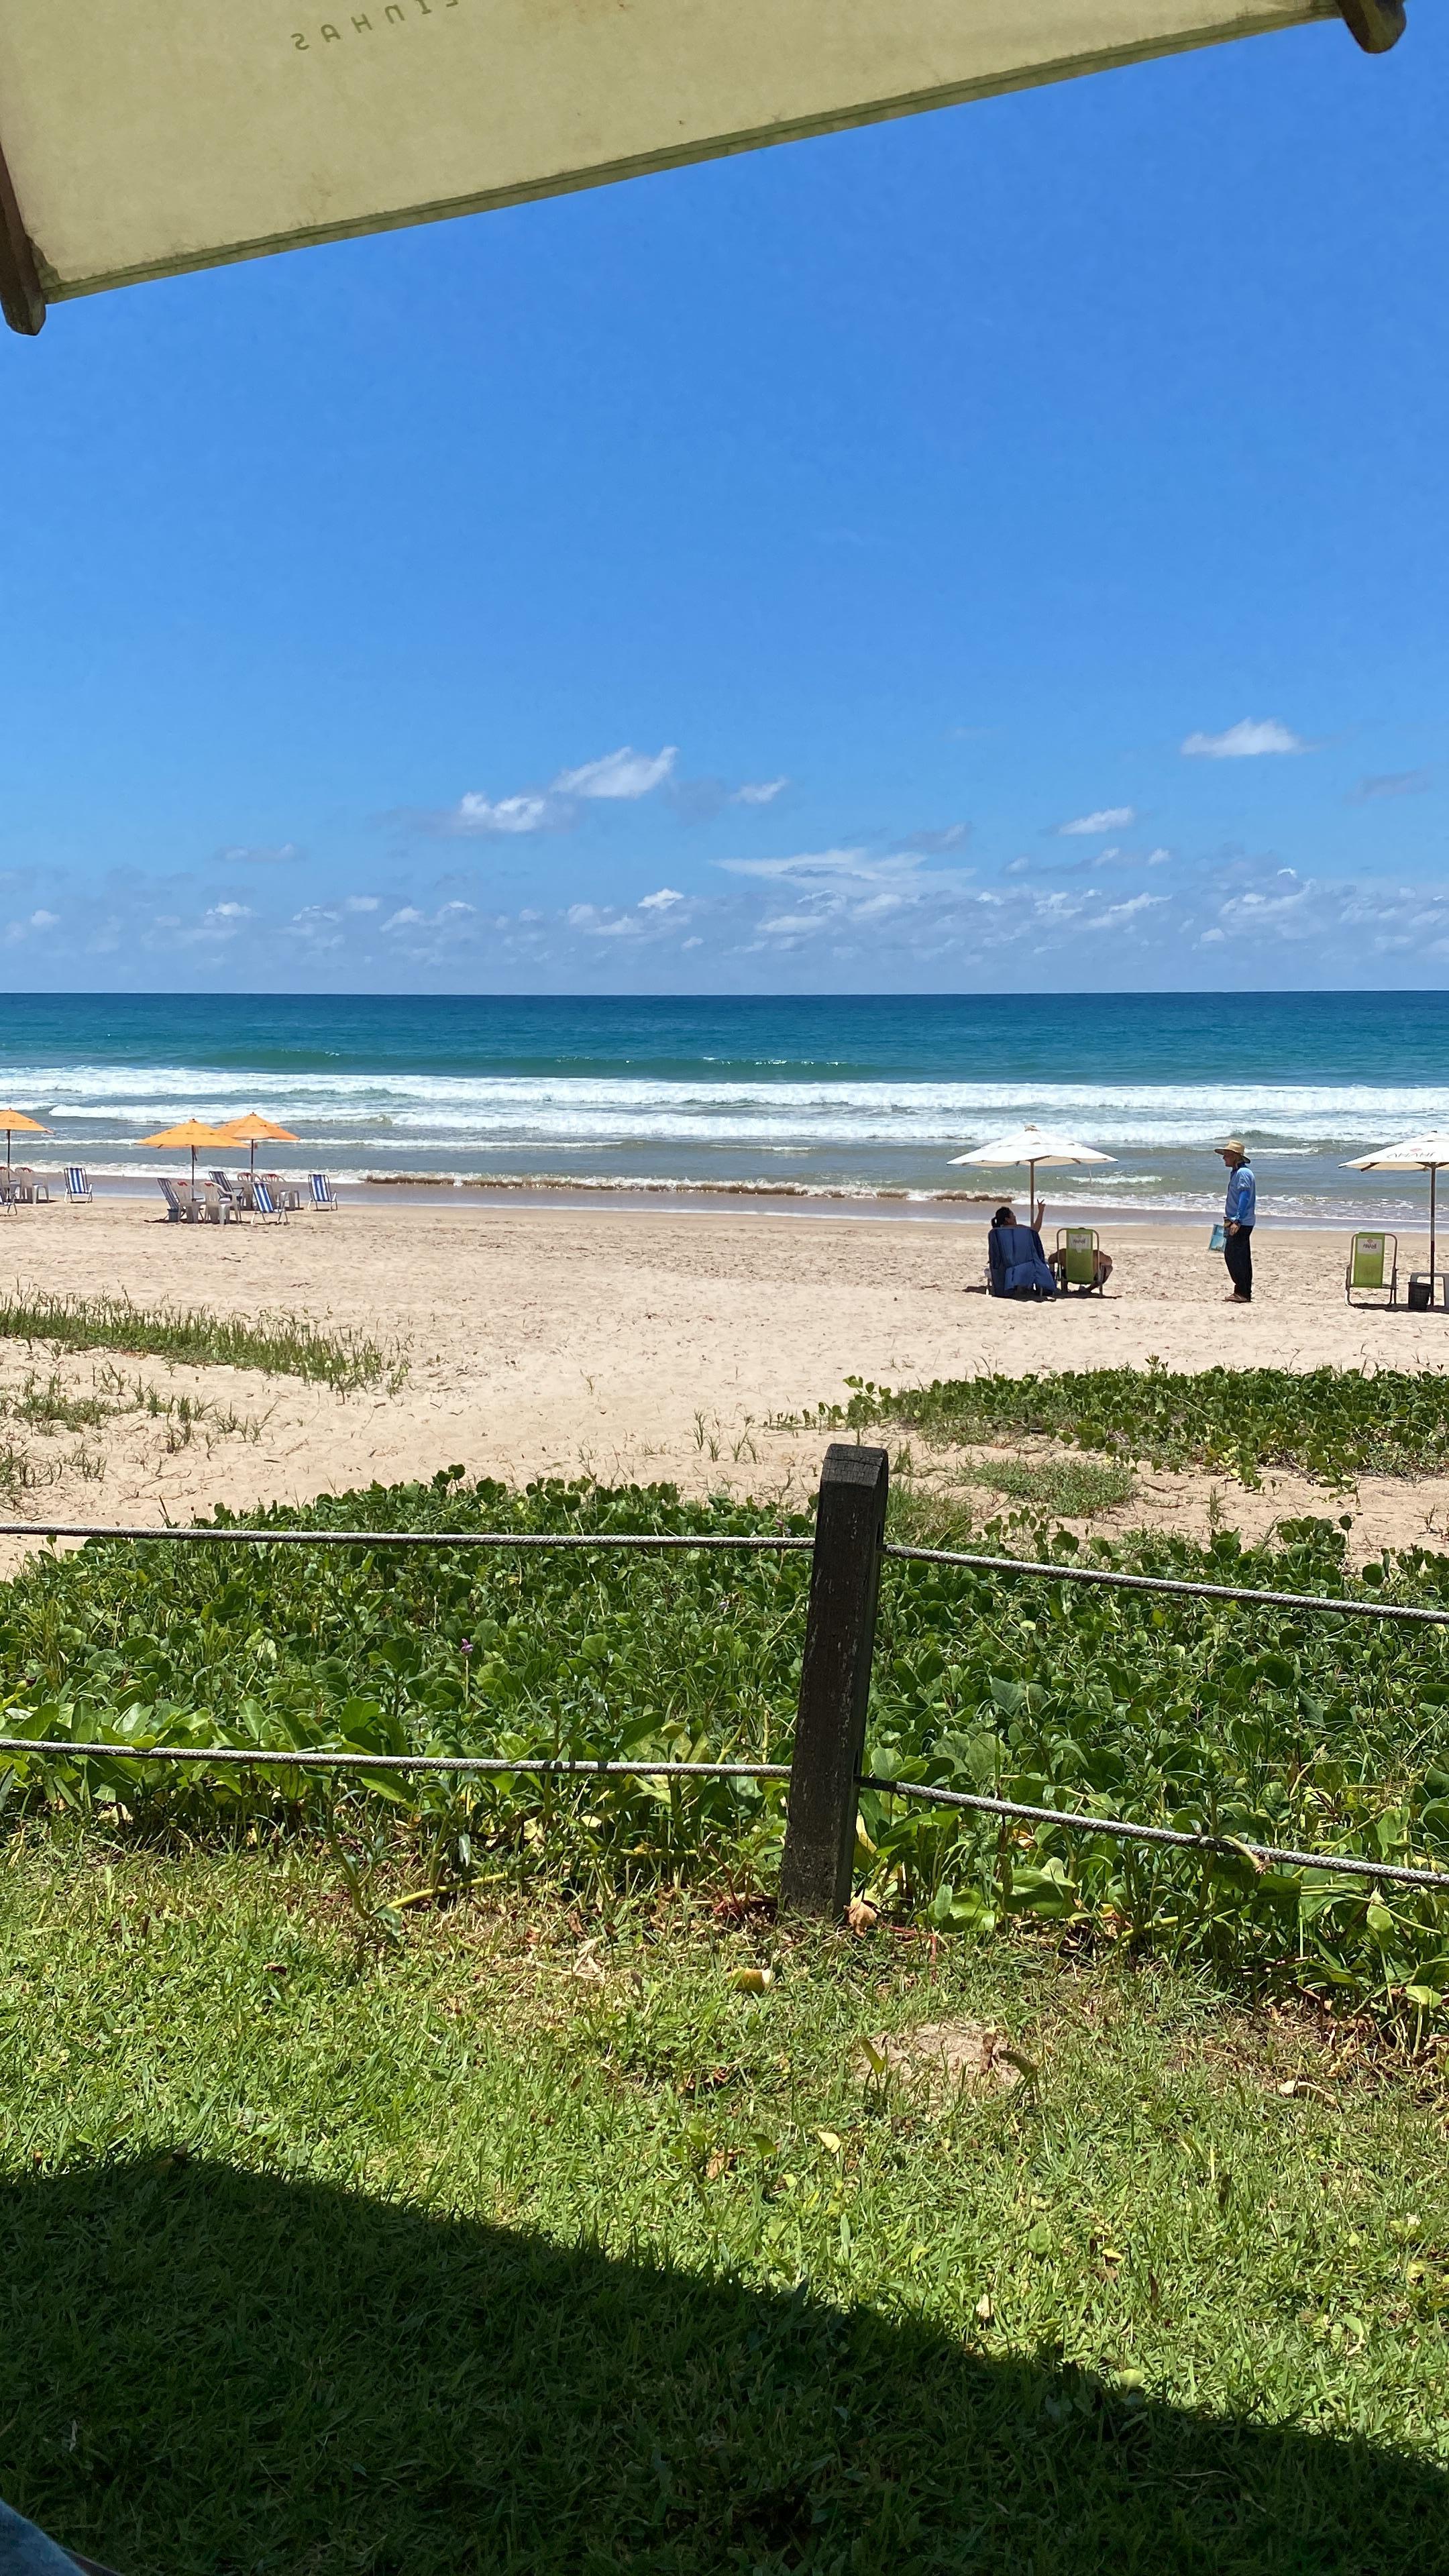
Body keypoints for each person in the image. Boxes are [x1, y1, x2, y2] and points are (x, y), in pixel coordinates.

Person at [987, 1201, 1058, 1299]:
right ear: (1008, 1219)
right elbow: (1036, 1229)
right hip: (1026, 1264)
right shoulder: (1022, 1230)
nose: (1015, 1217)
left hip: (1006, 1266)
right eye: (1013, 1215)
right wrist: (1041, 1212)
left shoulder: (996, 1233)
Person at [1218, 1139, 1256, 1303]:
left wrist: (1237, 1220)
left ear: (1235, 1156)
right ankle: (1242, 1291)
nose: (1224, 1158)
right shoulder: (1236, 1173)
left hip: (1240, 1222)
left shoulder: (1243, 1174)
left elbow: (1245, 1197)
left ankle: (1242, 1292)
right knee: (1236, 1255)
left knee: (1236, 1257)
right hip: (1235, 1220)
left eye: (1226, 1155)